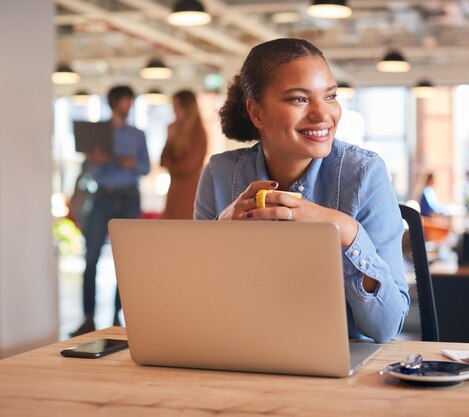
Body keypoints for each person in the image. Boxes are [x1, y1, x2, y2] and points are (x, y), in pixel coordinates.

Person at [194, 38, 409, 343]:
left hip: (338, 365)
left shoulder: (363, 174)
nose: (322, 115)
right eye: (299, 99)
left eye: (330, 96)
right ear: (256, 113)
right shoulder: (220, 175)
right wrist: (220, 236)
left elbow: (386, 328)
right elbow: (197, 307)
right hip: (243, 353)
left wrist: (346, 231)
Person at [70, 85, 150, 337]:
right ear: (115, 103)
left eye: (131, 101)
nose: (129, 105)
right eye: (126, 101)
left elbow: (145, 167)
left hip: (129, 197)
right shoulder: (98, 132)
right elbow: (90, 170)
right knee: (91, 256)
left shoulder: (137, 134)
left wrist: (131, 164)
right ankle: (88, 318)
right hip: (102, 196)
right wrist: (96, 162)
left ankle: (118, 315)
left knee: (124, 260)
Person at [160, 90, 208, 219]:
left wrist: (172, 166)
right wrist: (169, 138)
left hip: (189, 191)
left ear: (187, 108)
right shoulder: (177, 130)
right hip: (175, 190)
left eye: (176, 107)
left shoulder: (197, 132)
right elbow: (163, 161)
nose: (174, 111)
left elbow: (190, 166)